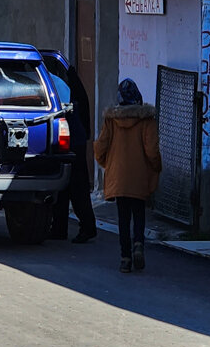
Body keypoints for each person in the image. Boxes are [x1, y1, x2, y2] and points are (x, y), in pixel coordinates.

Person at [94, 79, 161, 273]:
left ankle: (125, 258)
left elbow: (101, 147)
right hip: (139, 175)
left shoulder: (111, 120)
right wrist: (156, 168)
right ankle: (138, 243)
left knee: (123, 218)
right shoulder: (147, 121)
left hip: (118, 176)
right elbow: (152, 151)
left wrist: (108, 165)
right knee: (139, 213)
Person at [50, 64, 97, 244]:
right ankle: (60, 228)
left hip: (69, 139)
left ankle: (86, 227)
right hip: (75, 139)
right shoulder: (69, 83)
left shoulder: (56, 84)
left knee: (74, 187)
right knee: (68, 186)